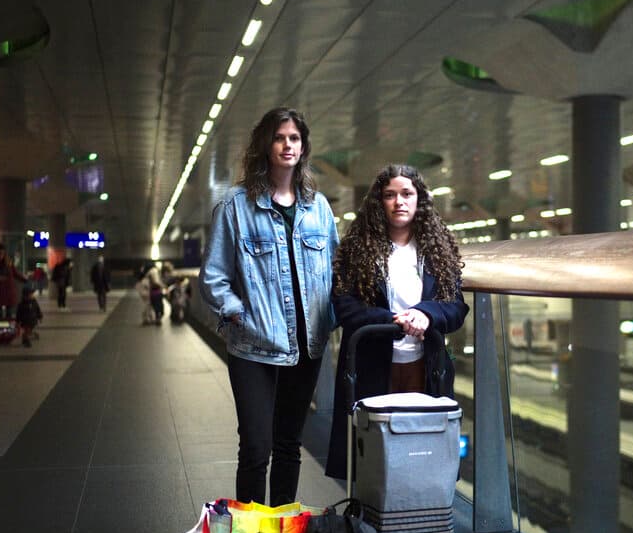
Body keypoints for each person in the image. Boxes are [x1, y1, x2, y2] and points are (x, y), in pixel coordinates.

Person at [199, 107, 338, 506]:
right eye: (280, 138)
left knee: (289, 445)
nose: (287, 145)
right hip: (253, 346)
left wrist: (333, 316)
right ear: (265, 144)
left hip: (307, 346)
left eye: (294, 139)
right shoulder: (236, 206)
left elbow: (335, 268)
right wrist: (237, 312)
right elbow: (213, 276)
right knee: (257, 448)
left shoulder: (319, 207)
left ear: (303, 147)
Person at [325, 163, 469, 480]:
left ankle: (416, 522)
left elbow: (456, 308)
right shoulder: (356, 250)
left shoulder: (438, 251)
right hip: (373, 367)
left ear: (419, 200)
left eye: (407, 193)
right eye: (389, 195)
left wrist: (426, 314)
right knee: (374, 461)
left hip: (425, 367)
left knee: (422, 454)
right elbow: (344, 307)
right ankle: (372, 527)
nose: (399, 201)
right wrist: (394, 319)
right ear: (379, 202)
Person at [15, 283, 43, 348]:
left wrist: (40, 316)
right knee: (26, 331)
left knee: (29, 330)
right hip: (25, 321)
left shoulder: (34, 302)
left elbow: (37, 309)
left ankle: (30, 336)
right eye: (31, 294)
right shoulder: (21, 304)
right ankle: (26, 341)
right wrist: (17, 322)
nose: (33, 295)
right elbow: (19, 313)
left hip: (33, 320)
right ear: (26, 295)